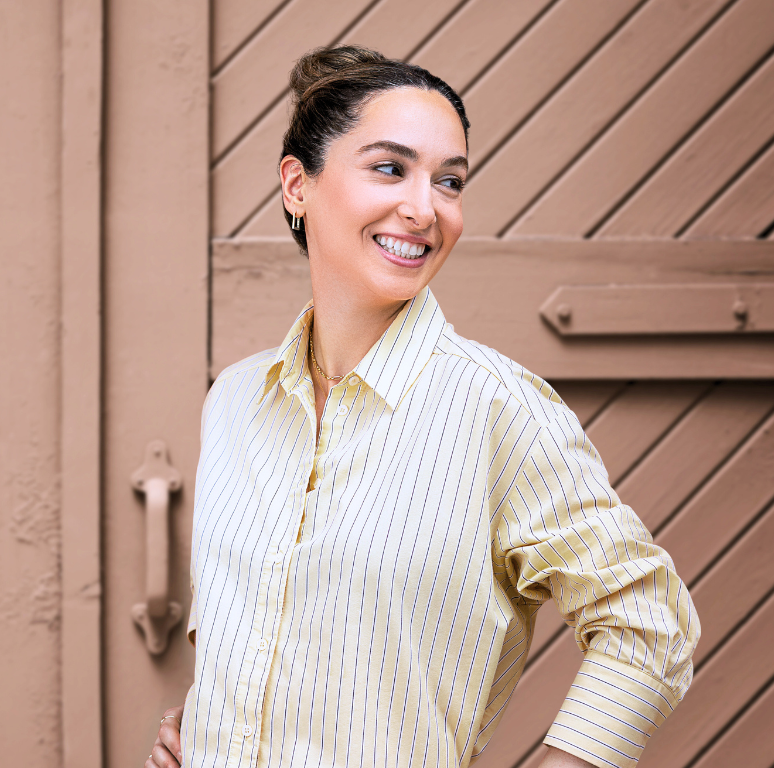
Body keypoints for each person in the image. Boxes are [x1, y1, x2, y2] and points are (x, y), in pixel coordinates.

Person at [146, 46, 698, 768]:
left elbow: (648, 622)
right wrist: (210, 722)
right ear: (296, 185)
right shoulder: (235, 401)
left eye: (449, 181)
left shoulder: (497, 409)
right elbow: (263, 624)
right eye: (389, 168)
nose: (424, 207)